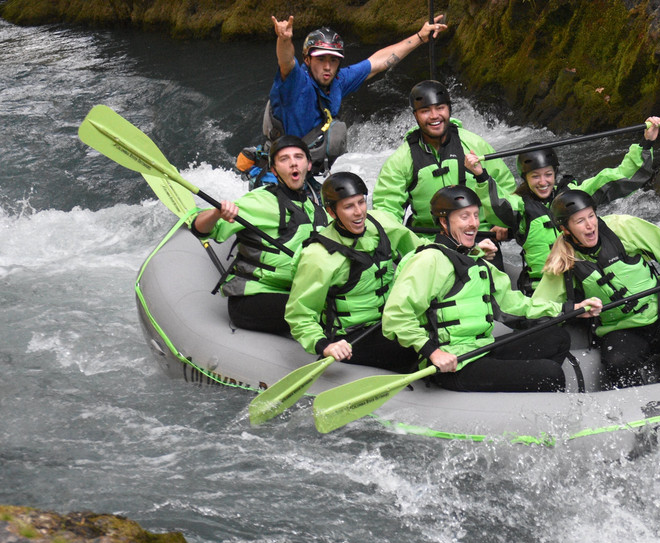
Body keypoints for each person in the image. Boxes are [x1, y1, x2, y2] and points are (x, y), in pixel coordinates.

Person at [381, 186, 601, 392]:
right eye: (464, 216)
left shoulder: (479, 263)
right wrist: (434, 352)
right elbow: (395, 316)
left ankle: (520, 394)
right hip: (451, 364)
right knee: (549, 373)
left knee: (557, 337)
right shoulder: (429, 260)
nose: (473, 223)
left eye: (476, 215)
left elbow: (515, 305)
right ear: (443, 222)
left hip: (481, 349)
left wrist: (572, 308)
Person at [463, 116, 660, 293]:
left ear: (555, 173)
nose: (543, 182)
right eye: (535, 177)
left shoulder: (574, 194)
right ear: (525, 178)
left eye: (548, 175)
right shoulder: (521, 206)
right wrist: (481, 176)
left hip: (585, 286)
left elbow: (619, 178)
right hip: (547, 291)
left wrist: (646, 144)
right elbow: (499, 206)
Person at [533, 190, 660, 388]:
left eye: (591, 216)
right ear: (565, 229)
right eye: (580, 221)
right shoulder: (563, 259)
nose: (590, 225)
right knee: (617, 363)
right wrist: (575, 310)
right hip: (621, 328)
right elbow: (541, 305)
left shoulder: (622, 227)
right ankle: (640, 402)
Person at [263, 13, 448, 174]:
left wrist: (420, 37)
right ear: (307, 59)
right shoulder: (296, 83)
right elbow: (286, 61)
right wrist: (284, 39)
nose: (327, 66)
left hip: (310, 167)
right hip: (282, 166)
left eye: (334, 60)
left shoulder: (337, 81)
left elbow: (377, 62)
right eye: (321, 59)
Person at [285, 172, 423, 372]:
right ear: (332, 213)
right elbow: (300, 315)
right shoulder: (318, 256)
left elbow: (424, 252)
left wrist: (469, 253)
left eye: (361, 202)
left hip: (392, 321)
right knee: (418, 348)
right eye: (349, 206)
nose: (359, 212)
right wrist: (325, 345)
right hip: (353, 337)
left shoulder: (381, 223)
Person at [193, 135, 326, 336]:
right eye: (284, 159)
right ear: (274, 170)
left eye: (298, 157)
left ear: (308, 164)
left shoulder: (316, 210)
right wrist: (216, 213)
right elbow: (200, 229)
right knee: (326, 311)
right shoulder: (259, 201)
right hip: (254, 298)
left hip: (293, 293)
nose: (292, 163)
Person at [373, 80, 516, 237]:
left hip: (480, 237)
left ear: (449, 109)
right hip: (429, 242)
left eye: (440, 108)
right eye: (425, 111)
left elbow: (507, 187)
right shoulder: (402, 159)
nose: (434, 116)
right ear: (415, 115)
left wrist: (504, 222)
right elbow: (386, 211)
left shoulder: (473, 144)